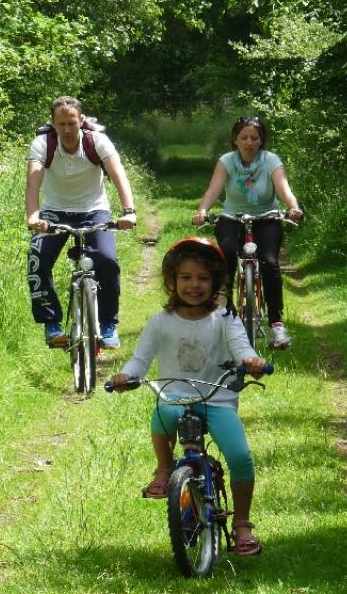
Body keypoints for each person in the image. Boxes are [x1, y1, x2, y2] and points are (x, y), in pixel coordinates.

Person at [110, 237, 267, 556]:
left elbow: (241, 347)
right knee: (163, 414)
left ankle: (243, 524)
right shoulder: (160, 322)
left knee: (239, 456)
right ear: (171, 281)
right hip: (175, 397)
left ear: (216, 283)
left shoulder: (224, 319)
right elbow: (140, 359)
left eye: (203, 278)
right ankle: (164, 468)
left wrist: (251, 361)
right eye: (185, 277)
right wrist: (127, 376)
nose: (194, 285)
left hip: (217, 400)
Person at [26, 96, 136, 349]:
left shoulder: (96, 141)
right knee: (37, 260)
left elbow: (118, 173)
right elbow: (33, 181)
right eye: (61, 124)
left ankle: (108, 324)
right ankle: (52, 324)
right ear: (53, 123)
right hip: (54, 211)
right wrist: (33, 216)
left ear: (81, 121)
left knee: (107, 261)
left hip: (94, 210)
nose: (66, 130)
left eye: (72, 123)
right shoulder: (43, 144)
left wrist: (129, 211)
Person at [191, 116, 303, 349]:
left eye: (255, 137)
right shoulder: (227, 161)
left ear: (261, 140)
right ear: (235, 140)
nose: (249, 142)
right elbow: (214, 189)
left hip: (266, 218)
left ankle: (277, 325)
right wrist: (203, 210)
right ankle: (224, 313)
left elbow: (283, 188)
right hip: (232, 217)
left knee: (270, 262)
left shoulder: (271, 161)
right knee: (227, 254)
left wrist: (292, 207)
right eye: (244, 137)